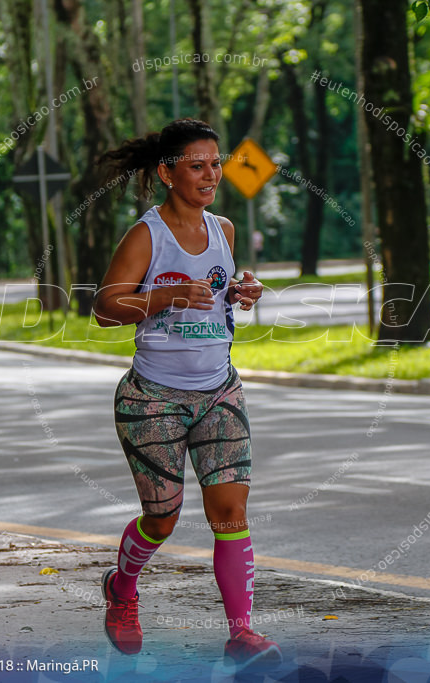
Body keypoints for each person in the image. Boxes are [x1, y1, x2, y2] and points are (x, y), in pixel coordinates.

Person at [92, 119, 278, 670]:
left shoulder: (223, 229)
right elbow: (104, 309)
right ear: (167, 172)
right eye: (197, 165)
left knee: (230, 510)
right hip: (153, 398)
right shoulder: (145, 236)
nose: (211, 174)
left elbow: (217, 296)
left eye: (216, 164)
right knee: (163, 520)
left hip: (219, 390)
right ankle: (122, 588)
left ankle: (241, 632)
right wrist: (165, 295)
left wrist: (242, 292)